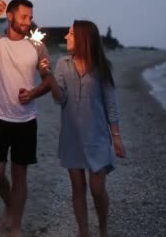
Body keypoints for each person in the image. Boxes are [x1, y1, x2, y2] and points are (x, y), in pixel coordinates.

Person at [0, 0, 51, 237]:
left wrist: (35, 92)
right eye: (23, 17)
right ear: (10, 16)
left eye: (30, 17)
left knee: (20, 175)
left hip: (26, 121)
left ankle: (16, 226)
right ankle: (9, 203)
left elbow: (48, 79)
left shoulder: (37, 47)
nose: (28, 22)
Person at [40, 20, 126, 237]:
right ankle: (84, 233)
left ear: (84, 38)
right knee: (77, 189)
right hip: (72, 137)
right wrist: (48, 76)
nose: (67, 37)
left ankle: (103, 229)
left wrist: (116, 137)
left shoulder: (101, 67)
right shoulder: (62, 64)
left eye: (71, 34)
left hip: (97, 138)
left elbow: (111, 104)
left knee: (97, 190)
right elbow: (60, 99)